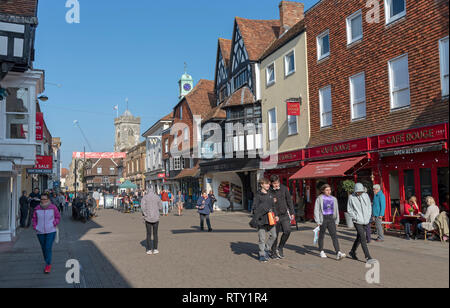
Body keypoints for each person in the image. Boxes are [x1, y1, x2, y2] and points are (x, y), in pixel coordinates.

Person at [314, 184, 346, 260]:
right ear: (323, 191)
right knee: (321, 236)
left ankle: (338, 252)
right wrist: (318, 221)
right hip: (323, 219)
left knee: (334, 236)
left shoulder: (334, 199)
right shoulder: (319, 198)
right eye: (327, 190)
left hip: (331, 219)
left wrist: (337, 221)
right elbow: (316, 210)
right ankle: (321, 251)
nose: (329, 191)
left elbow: (336, 210)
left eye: (330, 190)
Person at [32, 193, 61, 274]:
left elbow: (58, 217)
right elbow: (34, 218)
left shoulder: (53, 207)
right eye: (42, 199)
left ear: (48, 199)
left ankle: (48, 264)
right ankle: (47, 259)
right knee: (43, 248)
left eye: (45, 199)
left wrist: (54, 223)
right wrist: (35, 226)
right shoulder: (37, 208)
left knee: (48, 247)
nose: (43, 200)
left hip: (51, 231)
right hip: (40, 231)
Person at [252, 178, 278, 263]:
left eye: (268, 184)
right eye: (266, 184)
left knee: (274, 235)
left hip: (270, 218)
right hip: (261, 219)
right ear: (261, 185)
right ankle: (262, 254)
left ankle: (267, 249)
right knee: (262, 238)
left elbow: (273, 206)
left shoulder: (270, 194)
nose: (268, 185)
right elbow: (254, 208)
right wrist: (262, 210)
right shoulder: (258, 195)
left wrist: (276, 215)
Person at [348, 183, 375, 263]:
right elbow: (349, 209)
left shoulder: (365, 195)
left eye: (361, 191)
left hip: (366, 220)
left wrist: (369, 215)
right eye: (358, 192)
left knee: (359, 237)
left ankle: (352, 251)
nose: (359, 193)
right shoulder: (351, 197)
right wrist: (355, 217)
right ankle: (368, 257)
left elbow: (369, 206)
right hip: (357, 221)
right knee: (363, 238)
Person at [269, 175, 295, 259]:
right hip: (274, 216)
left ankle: (280, 248)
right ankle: (273, 252)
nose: (276, 185)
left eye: (277, 183)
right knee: (275, 235)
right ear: (271, 183)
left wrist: (292, 212)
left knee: (287, 230)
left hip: (284, 215)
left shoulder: (284, 189)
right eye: (274, 184)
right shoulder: (269, 190)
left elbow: (289, 201)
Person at [141, 189, 162, 255]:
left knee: (148, 234)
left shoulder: (145, 197)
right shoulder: (157, 197)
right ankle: (155, 249)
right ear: (154, 191)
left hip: (148, 218)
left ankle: (149, 249)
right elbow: (161, 207)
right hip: (156, 217)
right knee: (155, 234)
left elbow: (142, 207)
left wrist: (145, 214)